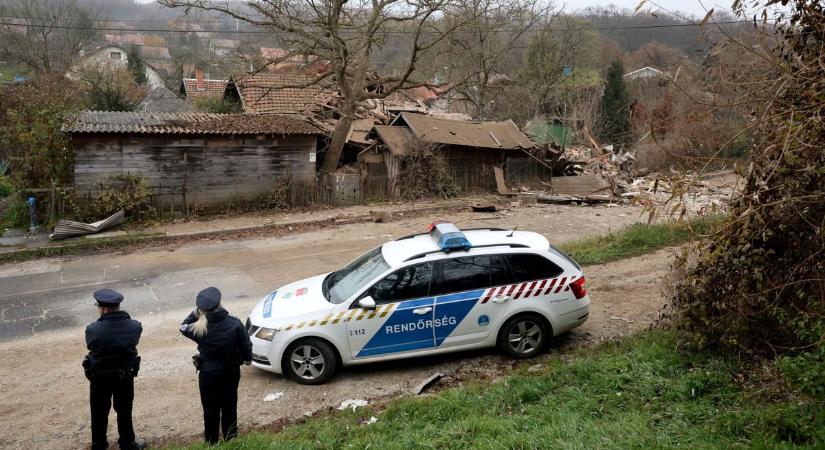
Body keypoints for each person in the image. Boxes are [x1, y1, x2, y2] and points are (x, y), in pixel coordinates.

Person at [180, 287, 252, 444]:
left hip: (208, 374)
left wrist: (195, 313)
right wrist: (247, 359)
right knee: (229, 406)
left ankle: (211, 442)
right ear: (219, 303)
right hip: (230, 371)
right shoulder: (234, 323)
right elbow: (246, 344)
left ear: (202, 309)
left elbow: (183, 326)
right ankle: (231, 440)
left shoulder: (198, 328)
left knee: (210, 409)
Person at [84, 288, 145, 450]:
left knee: (98, 412)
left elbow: (90, 344)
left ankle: (98, 444)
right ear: (118, 306)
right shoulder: (134, 326)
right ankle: (128, 443)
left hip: (99, 378)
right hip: (124, 377)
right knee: (124, 410)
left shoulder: (92, 330)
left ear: (102, 308)